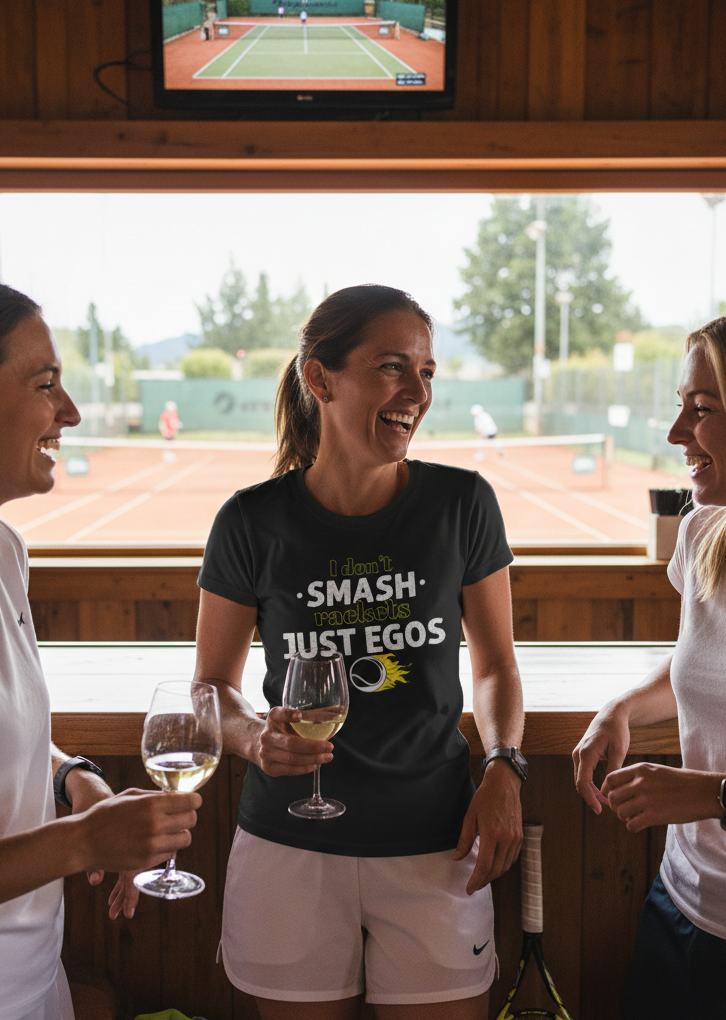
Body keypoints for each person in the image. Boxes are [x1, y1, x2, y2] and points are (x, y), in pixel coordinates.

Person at [195, 284, 525, 1020]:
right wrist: (255, 740)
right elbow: (211, 687)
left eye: (428, 371)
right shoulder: (249, 521)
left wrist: (505, 763)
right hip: (289, 847)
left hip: (437, 842)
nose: (417, 391)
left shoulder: (463, 503)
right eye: (391, 367)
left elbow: (497, 666)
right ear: (320, 378)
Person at [0, 275, 202, 1020]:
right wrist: (81, 844)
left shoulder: (4, 552)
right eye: (46, 384)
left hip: (34, 982)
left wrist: (73, 779)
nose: (71, 412)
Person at [572, 300, 726, 1018]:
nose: (677, 433)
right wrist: (623, 707)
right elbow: (710, 665)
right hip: (679, 908)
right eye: (682, 405)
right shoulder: (704, 532)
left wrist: (716, 794)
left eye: (703, 409)